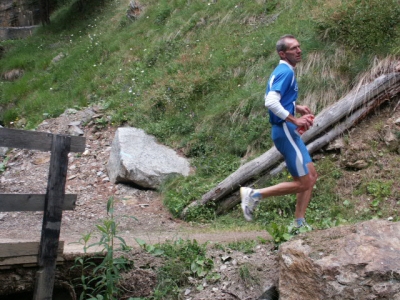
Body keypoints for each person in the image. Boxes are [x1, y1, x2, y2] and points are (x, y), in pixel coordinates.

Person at [240, 34, 317, 230]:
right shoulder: (286, 72)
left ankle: (299, 223)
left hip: (286, 130)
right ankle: (254, 195)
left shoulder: (284, 70)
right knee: (304, 182)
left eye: (299, 47)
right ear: (283, 53)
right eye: (293, 49)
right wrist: (294, 119)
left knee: (311, 176)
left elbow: (273, 96)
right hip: (285, 131)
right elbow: (270, 102)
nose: (299, 51)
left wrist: (295, 107)